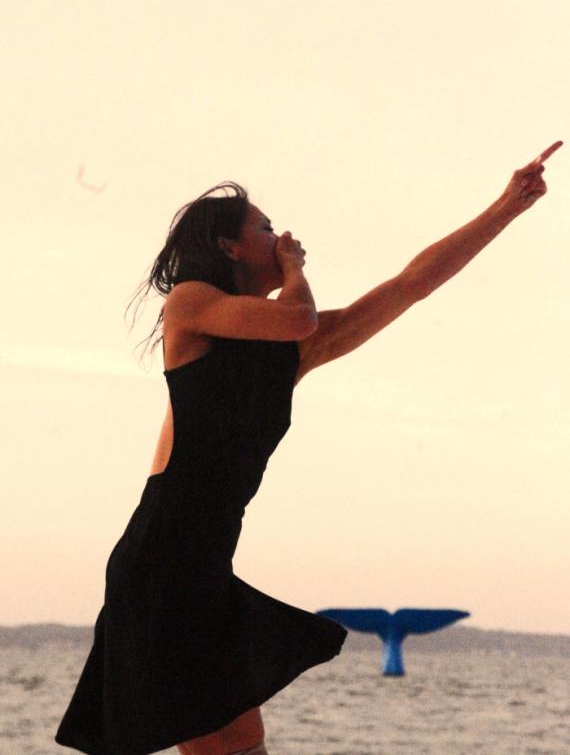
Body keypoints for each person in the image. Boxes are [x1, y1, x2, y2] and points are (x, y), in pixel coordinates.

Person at [55, 140, 562, 755]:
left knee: (242, 746)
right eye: (266, 229)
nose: (283, 237)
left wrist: (507, 206)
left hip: (203, 569)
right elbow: (298, 317)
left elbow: (412, 284)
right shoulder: (188, 304)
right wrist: (295, 270)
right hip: (161, 565)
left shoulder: (292, 353)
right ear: (229, 247)